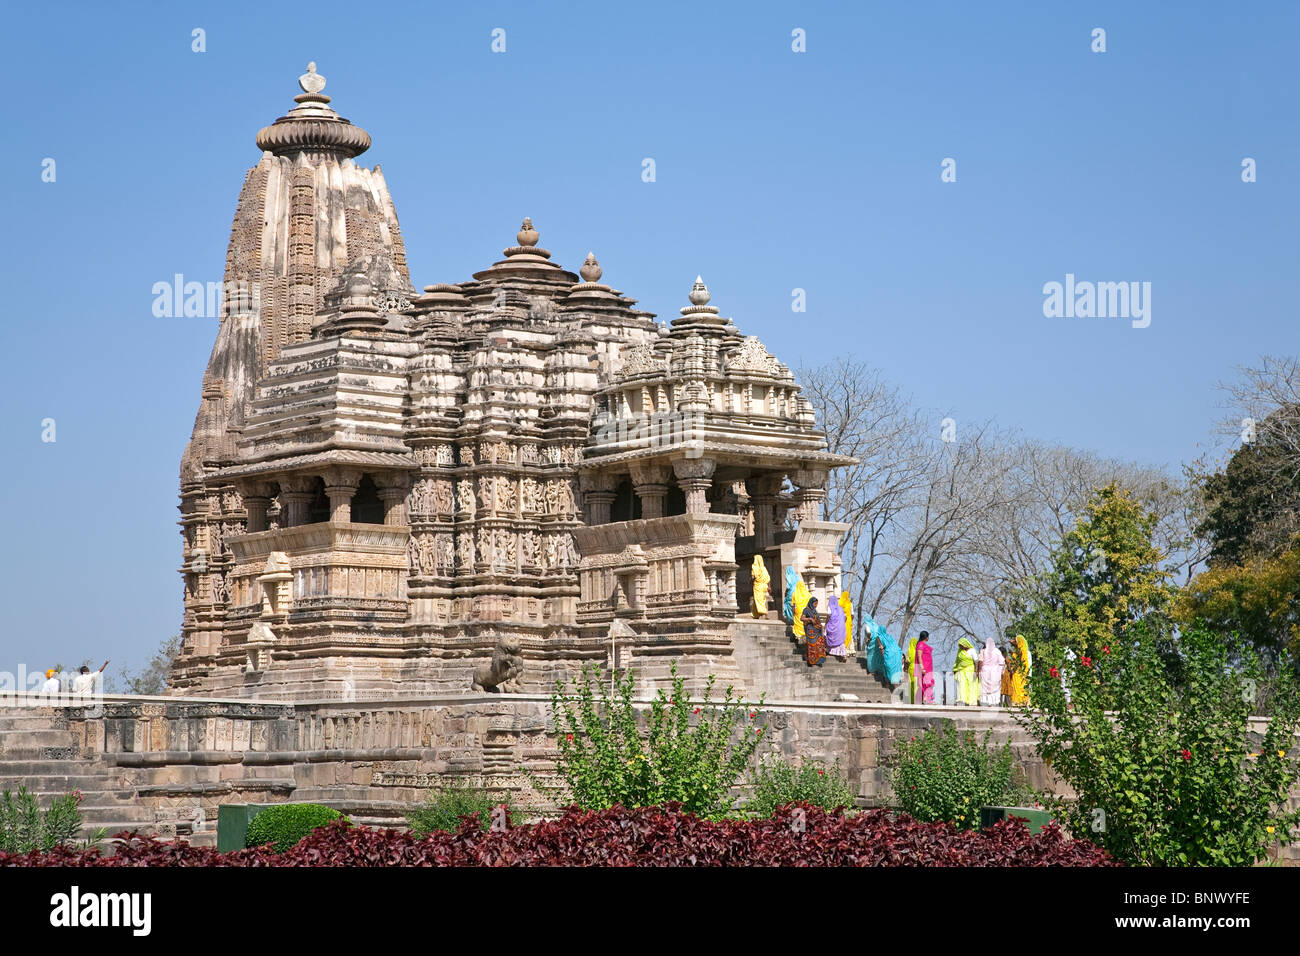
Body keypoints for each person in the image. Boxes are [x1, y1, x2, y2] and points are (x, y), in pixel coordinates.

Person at [863, 613, 905, 686]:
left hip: (888, 653)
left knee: (886, 665)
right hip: (898, 652)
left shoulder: (878, 636)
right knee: (894, 666)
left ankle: (887, 682)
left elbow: (881, 647)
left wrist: (883, 655)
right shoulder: (889, 636)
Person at [978, 638, 1005, 707]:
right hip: (995, 672)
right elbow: (1002, 662)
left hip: (985, 672)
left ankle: (985, 702)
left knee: (985, 688)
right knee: (994, 688)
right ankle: (994, 703)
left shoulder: (983, 651)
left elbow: (980, 661)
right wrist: (1001, 672)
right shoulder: (997, 651)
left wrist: (979, 670)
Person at [953, 637, 978, 705]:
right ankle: (962, 700)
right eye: (960, 646)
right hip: (961, 671)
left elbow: (976, 661)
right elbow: (957, 662)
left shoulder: (972, 650)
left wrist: (976, 670)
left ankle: (971, 701)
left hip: (970, 670)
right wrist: (955, 670)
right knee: (961, 685)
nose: (961, 647)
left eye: (962, 645)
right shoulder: (960, 652)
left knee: (971, 685)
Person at [803, 597, 827, 666]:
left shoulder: (815, 611)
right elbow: (802, 618)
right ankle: (811, 660)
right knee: (812, 645)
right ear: (811, 603)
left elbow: (818, 620)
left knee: (819, 644)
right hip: (810, 630)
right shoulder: (806, 610)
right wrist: (810, 619)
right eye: (815, 604)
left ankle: (819, 660)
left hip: (817, 631)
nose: (816, 605)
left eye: (817, 604)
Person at [1008, 635, 1031, 706]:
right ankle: (1021, 701)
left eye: (1015, 641)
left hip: (1019, 671)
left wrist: (1013, 671)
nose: (1013, 642)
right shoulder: (1019, 649)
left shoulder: (1021, 650)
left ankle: (1019, 701)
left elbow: (1018, 661)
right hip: (1020, 670)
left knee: (1018, 685)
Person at [916, 632, 935, 704]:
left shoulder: (922, 644)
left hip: (929, 667)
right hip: (925, 668)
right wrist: (922, 667)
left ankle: (926, 698)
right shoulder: (920, 644)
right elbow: (919, 656)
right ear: (926, 637)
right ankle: (927, 699)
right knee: (926, 683)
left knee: (928, 682)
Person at [839, 590, 854, 655]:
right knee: (849, 635)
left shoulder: (840, 603)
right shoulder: (850, 604)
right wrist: (850, 620)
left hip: (841, 621)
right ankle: (850, 650)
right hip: (848, 621)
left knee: (842, 634)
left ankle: (842, 650)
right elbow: (852, 614)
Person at [905, 636, 919, 704]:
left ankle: (912, 700)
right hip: (917, 668)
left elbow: (907, 661)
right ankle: (918, 699)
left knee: (911, 685)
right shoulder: (918, 652)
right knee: (917, 685)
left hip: (911, 669)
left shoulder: (909, 651)